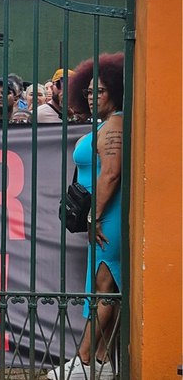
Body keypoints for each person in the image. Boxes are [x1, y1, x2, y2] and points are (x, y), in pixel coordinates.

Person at [47, 52, 124, 380]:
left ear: (117, 92)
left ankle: (84, 360)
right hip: (105, 214)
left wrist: (94, 216)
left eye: (100, 91)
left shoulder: (116, 125)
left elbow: (111, 174)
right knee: (106, 286)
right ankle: (102, 362)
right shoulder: (107, 124)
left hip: (109, 216)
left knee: (105, 285)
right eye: (89, 91)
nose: (92, 97)